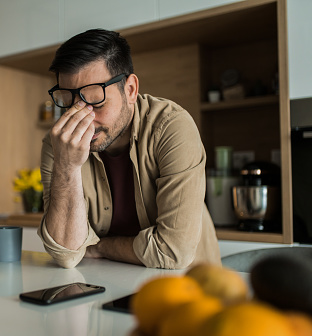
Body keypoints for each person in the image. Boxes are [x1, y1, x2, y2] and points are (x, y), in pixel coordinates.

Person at [37, 28, 221, 269]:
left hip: (189, 286)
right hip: (107, 287)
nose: (82, 118)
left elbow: (173, 252)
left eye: (96, 101)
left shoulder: (172, 127)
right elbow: (67, 254)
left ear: (130, 90)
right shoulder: (59, 143)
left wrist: (100, 246)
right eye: (68, 102)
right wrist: (67, 167)